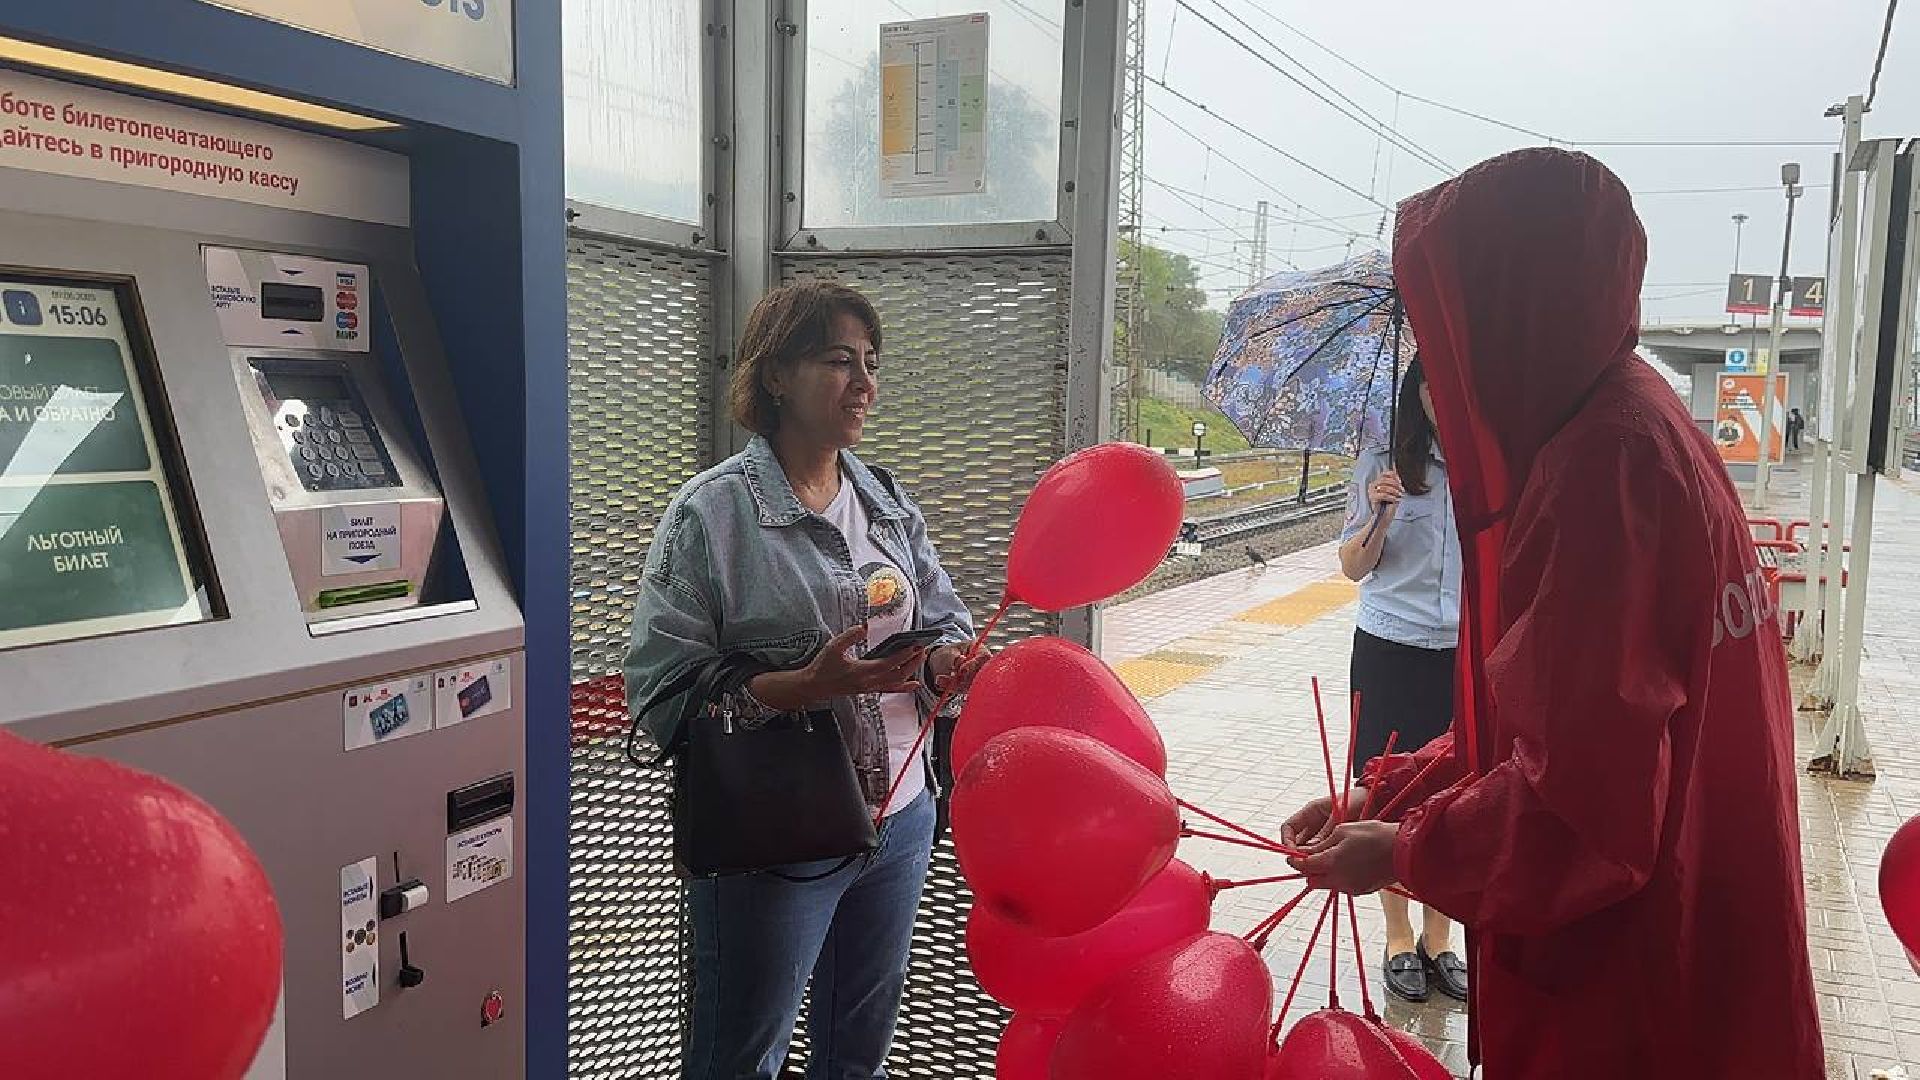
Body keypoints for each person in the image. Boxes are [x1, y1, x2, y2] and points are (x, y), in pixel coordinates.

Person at [1284, 149, 1822, 1076]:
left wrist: (1405, 849)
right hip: (1701, 927)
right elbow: (1553, 729)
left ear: (1507, 314)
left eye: (1450, 327)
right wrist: (1392, 791)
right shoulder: (1646, 423)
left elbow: (1583, 814)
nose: (1441, 372)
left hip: (1625, 983)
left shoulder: (1595, 473)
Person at [623, 281, 986, 1080]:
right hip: (775, 832)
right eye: (837, 360)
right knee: (740, 1058)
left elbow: (939, 622)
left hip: (901, 818)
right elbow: (658, 689)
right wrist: (798, 688)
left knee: (858, 1058)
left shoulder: (884, 499)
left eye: (870, 362)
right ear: (776, 376)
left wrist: (942, 664)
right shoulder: (711, 515)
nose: (864, 382)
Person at [1334, 357, 1465, 1004]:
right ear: (1417, 391)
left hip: (1463, 650)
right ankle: (1395, 934)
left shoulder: (1491, 463)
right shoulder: (1383, 460)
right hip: (1390, 645)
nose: (1442, 393)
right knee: (1387, 794)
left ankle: (1440, 937)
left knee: (1456, 796)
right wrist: (1379, 513)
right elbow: (1353, 568)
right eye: (1430, 382)